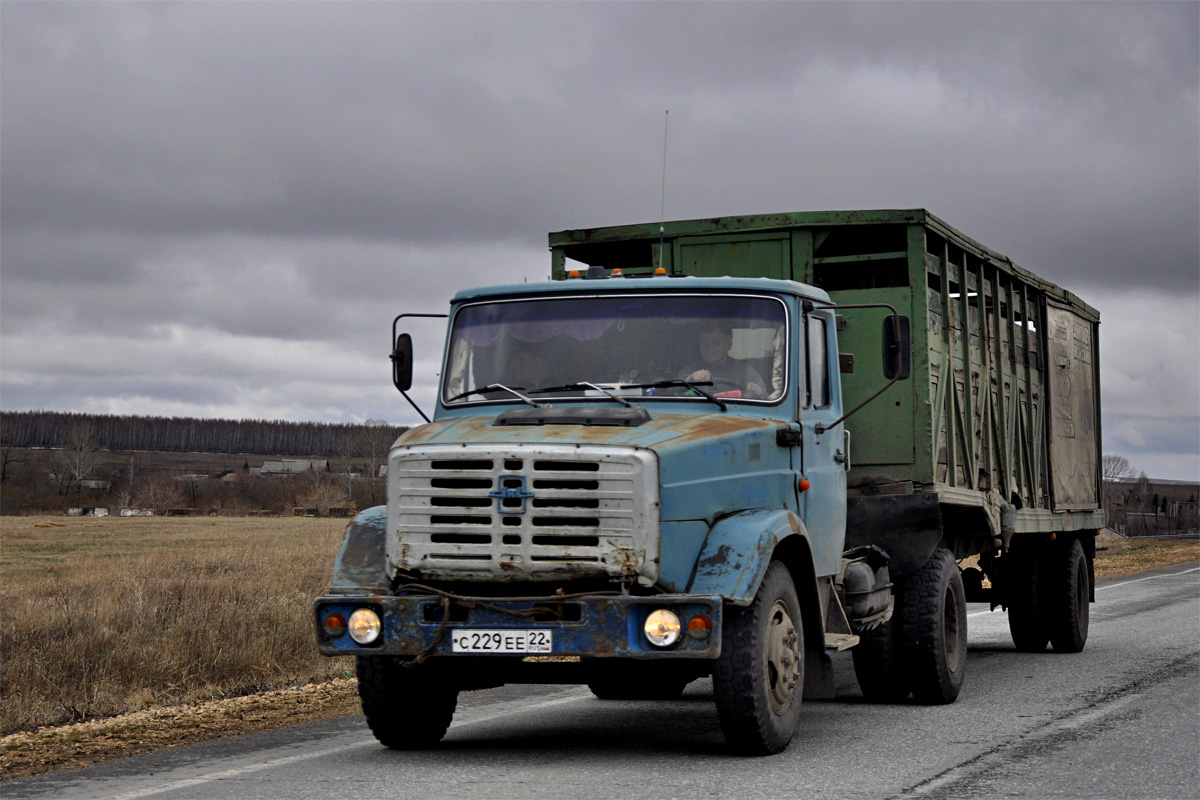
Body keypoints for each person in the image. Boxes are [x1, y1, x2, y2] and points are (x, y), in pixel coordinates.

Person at [679, 325, 766, 399]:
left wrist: (756, 392)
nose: (709, 348)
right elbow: (673, 393)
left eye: (716, 342)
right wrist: (690, 379)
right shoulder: (690, 370)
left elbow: (766, 403)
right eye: (704, 342)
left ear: (728, 345)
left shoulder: (747, 373)